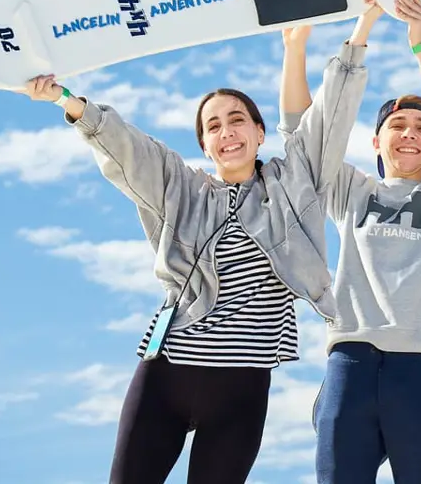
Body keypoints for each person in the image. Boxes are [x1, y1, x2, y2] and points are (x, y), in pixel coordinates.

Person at [20, 65, 339, 484]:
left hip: (242, 389)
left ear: (260, 134)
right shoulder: (183, 190)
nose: (226, 131)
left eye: (237, 120)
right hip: (168, 375)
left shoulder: (290, 191)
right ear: (206, 146)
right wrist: (66, 100)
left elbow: (321, 123)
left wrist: (319, 44)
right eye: (213, 126)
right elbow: (128, 148)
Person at [279, 0, 421, 484]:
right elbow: (303, 140)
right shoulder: (349, 192)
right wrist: (334, 37)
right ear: (376, 140)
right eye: (397, 125)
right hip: (351, 359)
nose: (409, 133)